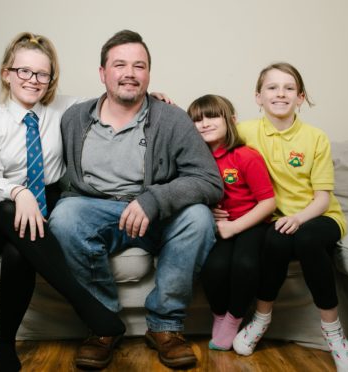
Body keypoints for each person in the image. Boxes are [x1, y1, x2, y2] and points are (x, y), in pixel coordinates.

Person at [48, 30, 223, 369]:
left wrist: (155, 199)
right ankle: (103, 325)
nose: (129, 73)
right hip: (95, 210)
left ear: (148, 74)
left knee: (199, 217)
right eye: (120, 65)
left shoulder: (172, 118)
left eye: (139, 66)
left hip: (154, 214)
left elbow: (208, 180)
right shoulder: (74, 118)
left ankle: (165, 326)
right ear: (103, 73)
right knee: (65, 216)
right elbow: (42, 159)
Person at [0, 32, 127, 372]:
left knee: (18, 253)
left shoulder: (63, 110)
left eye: (42, 74)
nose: (33, 80)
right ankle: (85, 304)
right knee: (13, 216)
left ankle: (4, 345)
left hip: (48, 205)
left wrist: (151, 98)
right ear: (6, 73)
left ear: (50, 79)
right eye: (24, 71)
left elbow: (114, 99)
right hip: (0, 212)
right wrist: (18, 192)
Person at [231, 62, 348, 372]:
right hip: (277, 219)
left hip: (319, 216)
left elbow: (323, 198)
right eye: (272, 87)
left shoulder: (316, 138)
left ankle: (334, 333)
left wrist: (301, 218)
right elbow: (201, 128)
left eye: (289, 88)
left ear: (300, 98)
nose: (280, 93)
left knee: (305, 239)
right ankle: (261, 319)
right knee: (275, 238)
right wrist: (160, 101)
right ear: (258, 96)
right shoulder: (244, 131)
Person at [187, 94, 275, 351]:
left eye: (212, 116)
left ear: (231, 120)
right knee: (213, 268)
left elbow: (268, 202)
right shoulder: (195, 161)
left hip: (251, 223)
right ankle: (220, 315)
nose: (204, 123)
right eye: (197, 119)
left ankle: (234, 319)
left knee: (244, 264)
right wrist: (207, 210)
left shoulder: (246, 156)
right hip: (219, 227)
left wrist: (236, 226)